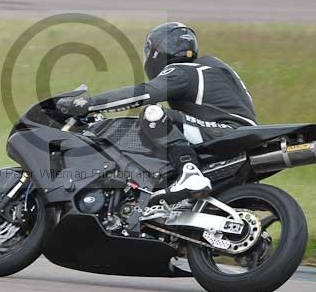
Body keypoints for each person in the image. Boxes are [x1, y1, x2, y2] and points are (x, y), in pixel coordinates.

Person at [56, 22, 257, 204]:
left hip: (224, 132)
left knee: (153, 113)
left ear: (156, 52)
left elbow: (142, 94)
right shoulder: (208, 68)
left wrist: (90, 103)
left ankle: (189, 173)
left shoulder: (183, 71)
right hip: (234, 133)